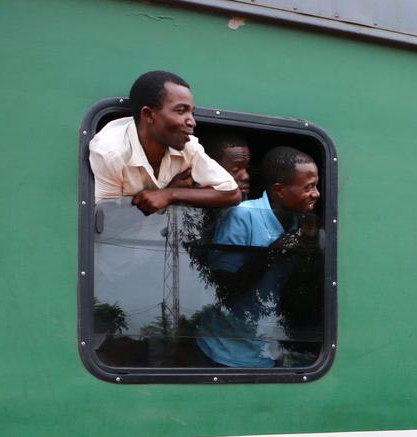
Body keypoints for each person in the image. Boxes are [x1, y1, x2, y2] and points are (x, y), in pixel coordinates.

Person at [196, 146, 321, 367]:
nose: (316, 194)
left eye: (316, 186)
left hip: (268, 348)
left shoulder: (297, 222)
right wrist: (273, 252)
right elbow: (221, 288)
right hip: (227, 351)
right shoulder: (243, 215)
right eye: (308, 187)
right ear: (279, 190)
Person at [89, 70, 241, 214]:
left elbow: (232, 193)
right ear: (148, 115)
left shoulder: (188, 146)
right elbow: (108, 221)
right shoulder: (111, 153)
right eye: (181, 111)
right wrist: (164, 194)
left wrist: (170, 194)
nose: (192, 122)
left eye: (192, 113)